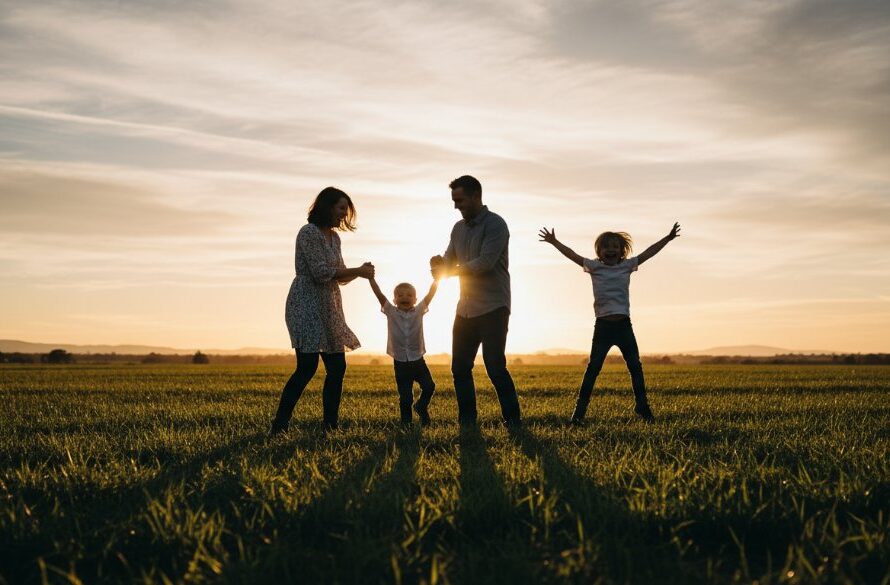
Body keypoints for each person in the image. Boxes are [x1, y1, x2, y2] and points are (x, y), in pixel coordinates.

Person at [538, 222, 681, 423]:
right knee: (593, 369)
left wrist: (668, 238)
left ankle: (642, 406)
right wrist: (554, 242)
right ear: (599, 251)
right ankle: (579, 413)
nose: (611, 250)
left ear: (622, 251)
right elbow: (572, 255)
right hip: (603, 327)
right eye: (606, 247)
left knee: (635, 367)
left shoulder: (627, 266)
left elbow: (650, 253)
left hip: (624, 326)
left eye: (615, 247)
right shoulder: (594, 267)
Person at [270, 187, 375, 436]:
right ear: (327, 207)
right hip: (306, 302)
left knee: (337, 368)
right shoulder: (308, 233)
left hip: (329, 305)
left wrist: (359, 272)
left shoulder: (334, 238)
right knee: (307, 367)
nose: (343, 215)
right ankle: (279, 425)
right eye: (341, 209)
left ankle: (330, 426)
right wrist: (355, 271)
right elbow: (320, 272)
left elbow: (338, 275)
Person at [430, 175, 521, 426]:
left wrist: (450, 270)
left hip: (494, 307)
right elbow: (449, 259)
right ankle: (467, 422)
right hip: (465, 309)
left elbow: (484, 264)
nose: (456, 206)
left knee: (495, 367)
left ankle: (513, 421)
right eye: (454, 201)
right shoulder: (458, 229)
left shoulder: (496, 225)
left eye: (460, 200)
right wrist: (439, 264)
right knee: (459, 369)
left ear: (475, 196)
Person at [368, 276, 439, 426]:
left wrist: (436, 279)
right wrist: (371, 279)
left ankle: (421, 406)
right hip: (400, 362)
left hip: (418, 360)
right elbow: (379, 294)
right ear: (394, 300)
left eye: (409, 295)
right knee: (406, 397)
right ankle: (406, 424)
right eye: (400, 295)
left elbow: (430, 294)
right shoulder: (391, 312)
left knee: (429, 386)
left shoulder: (419, 310)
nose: (404, 297)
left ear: (415, 299)